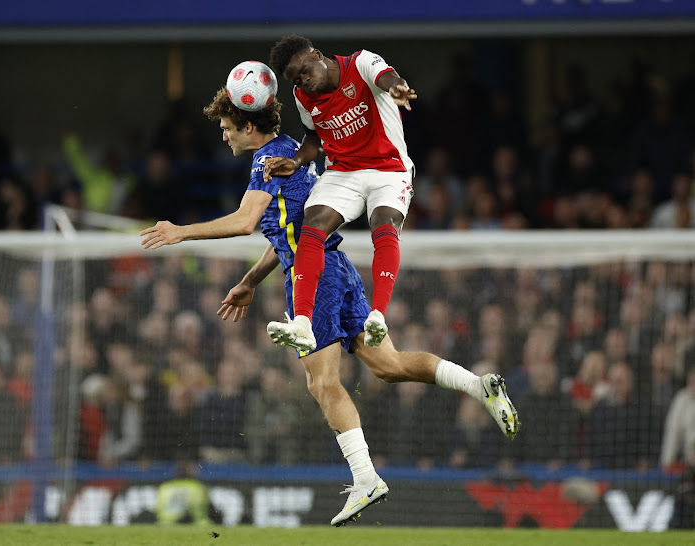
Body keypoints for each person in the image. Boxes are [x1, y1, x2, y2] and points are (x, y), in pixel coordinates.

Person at [140, 88, 519, 526]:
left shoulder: (267, 162)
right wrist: (249, 280)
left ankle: (365, 477)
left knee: (321, 383)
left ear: (247, 126)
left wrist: (179, 232)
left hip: (312, 277)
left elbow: (245, 222)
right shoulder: (291, 153)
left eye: (227, 129)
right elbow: (287, 230)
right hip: (334, 266)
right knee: (389, 365)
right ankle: (480, 386)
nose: (224, 137)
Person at [263, 34, 418, 352]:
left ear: (317, 55)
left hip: (388, 169)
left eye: (305, 71)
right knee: (313, 220)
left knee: (383, 221)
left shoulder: (360, 63)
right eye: (297, 80)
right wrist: (295, 161)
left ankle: (377, 315)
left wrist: (397, 88)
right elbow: (312, 140)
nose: (304, 82)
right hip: (343, 172)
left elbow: (387, 77)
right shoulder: (303, 97)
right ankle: (303, 323)